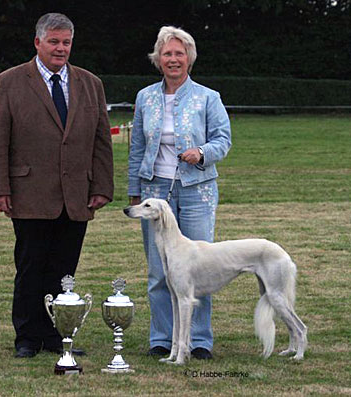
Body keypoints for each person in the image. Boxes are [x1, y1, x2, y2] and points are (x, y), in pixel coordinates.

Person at [0, 13, 113, 358]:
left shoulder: (90, 83)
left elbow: (102, 140)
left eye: (66, 42)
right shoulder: (10, 81)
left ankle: (58, 336)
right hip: (29, 194)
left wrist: (102, 185)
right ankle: (27, 337)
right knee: (30, 267)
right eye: (54, 41)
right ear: (37, 42)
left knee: (64, 271)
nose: (60, 48)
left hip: (77, 196)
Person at [128, 26, 231, 360]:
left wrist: (201, 153)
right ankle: (163, 337)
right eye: (167, 53)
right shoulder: (145, 98)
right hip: (155, 192)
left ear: (189, 58)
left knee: (199, 269)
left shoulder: (207, 97)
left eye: (179, 53)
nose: (173, 59)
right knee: (160, 270)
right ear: (158, 59)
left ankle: (198, 341)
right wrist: (134, 191)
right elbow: (137, 147)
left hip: (196, 192)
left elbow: (223, 140)